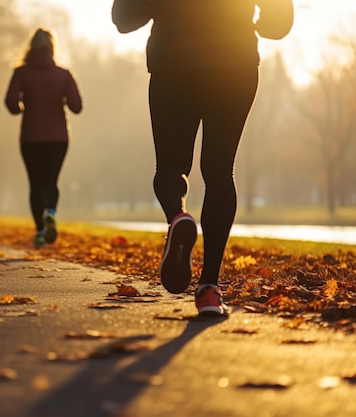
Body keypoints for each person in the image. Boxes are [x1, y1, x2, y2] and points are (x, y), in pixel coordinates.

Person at [112, 0, 294, 316]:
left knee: (170, 166)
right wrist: (253, 24)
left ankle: (179, 218)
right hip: (235, 63)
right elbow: (279, 23)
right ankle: (209, 288)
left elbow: (124, 18)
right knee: (220, 170)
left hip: (173, 62)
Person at [4, 28, 83, 248]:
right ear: (52, 47)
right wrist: (61, 98)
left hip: (30, 137)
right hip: (58, 137)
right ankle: (51, 212)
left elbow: (11, 102)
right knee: (52, 181)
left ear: (31, 47)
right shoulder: (64, 74)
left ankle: (39, 231)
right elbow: (77, 106)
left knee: (35, 184)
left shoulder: (21, 73)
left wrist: (21, 107)